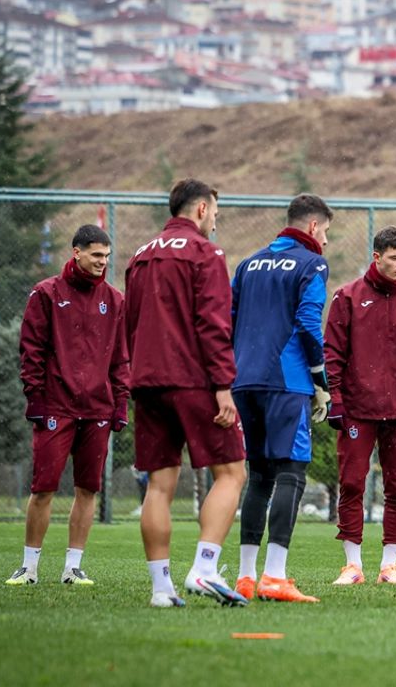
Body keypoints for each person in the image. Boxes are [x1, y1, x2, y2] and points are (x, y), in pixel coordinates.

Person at [125, 178, 248, 608]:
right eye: (215, 212)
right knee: (232, 473)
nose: (215, 220)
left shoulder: (140, 255)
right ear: (200, 209)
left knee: (159, 485)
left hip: (147, 381)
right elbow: (213, 324)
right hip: (193, 379)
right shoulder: (205, 253)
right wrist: (223, 386)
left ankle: (161, 589)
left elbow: (130, 322)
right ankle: (204, 568)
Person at [9, 225, 129, 587]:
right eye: (96, 255)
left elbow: (120, 358)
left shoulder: (115, 300)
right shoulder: (46, 293)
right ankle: (29, 568)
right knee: (43, 488)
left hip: (97, 409)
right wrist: (35, 397)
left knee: (87, 489)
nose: (103, 262)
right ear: (76, 252)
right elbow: (31, 350)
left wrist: (120, 404)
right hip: (55, 407)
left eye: (107, 256)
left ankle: (72, 568)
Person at [229, 194, 334, 603]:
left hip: (244, 380)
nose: (325, 241)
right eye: (326, 232)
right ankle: (275, 576)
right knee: (291, 471)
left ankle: (245, 577)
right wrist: (320, 381)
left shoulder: (247, 264)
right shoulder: (312, 264)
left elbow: (229, 320)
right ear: (312, 226)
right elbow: (308, 323)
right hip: (287, 381)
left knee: (259, 475)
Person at [326, 225, 396, 586]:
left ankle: (390, 566)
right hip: (357, 409)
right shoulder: (347, 297)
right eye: (394, 258)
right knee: (352, 484)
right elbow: (333, 353)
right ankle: (352, 566)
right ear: (377, 257)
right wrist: (336, 399)